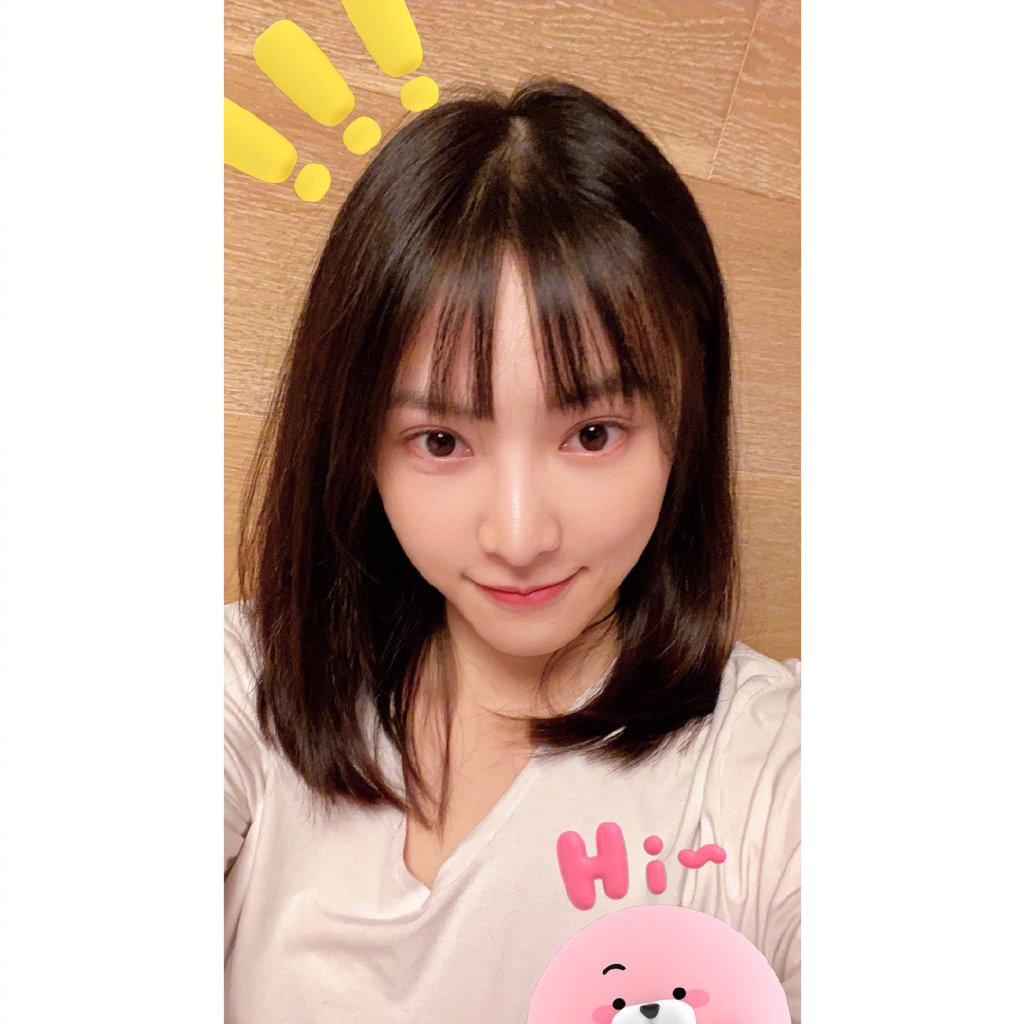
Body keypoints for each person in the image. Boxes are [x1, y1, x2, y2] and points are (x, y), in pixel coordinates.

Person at [225, 80, 800, 1023]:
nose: (521, 536)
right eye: (441, 441)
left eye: (593, 434)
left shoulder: (776, 768)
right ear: (358, 443)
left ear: (684, 424)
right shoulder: (251, 684)